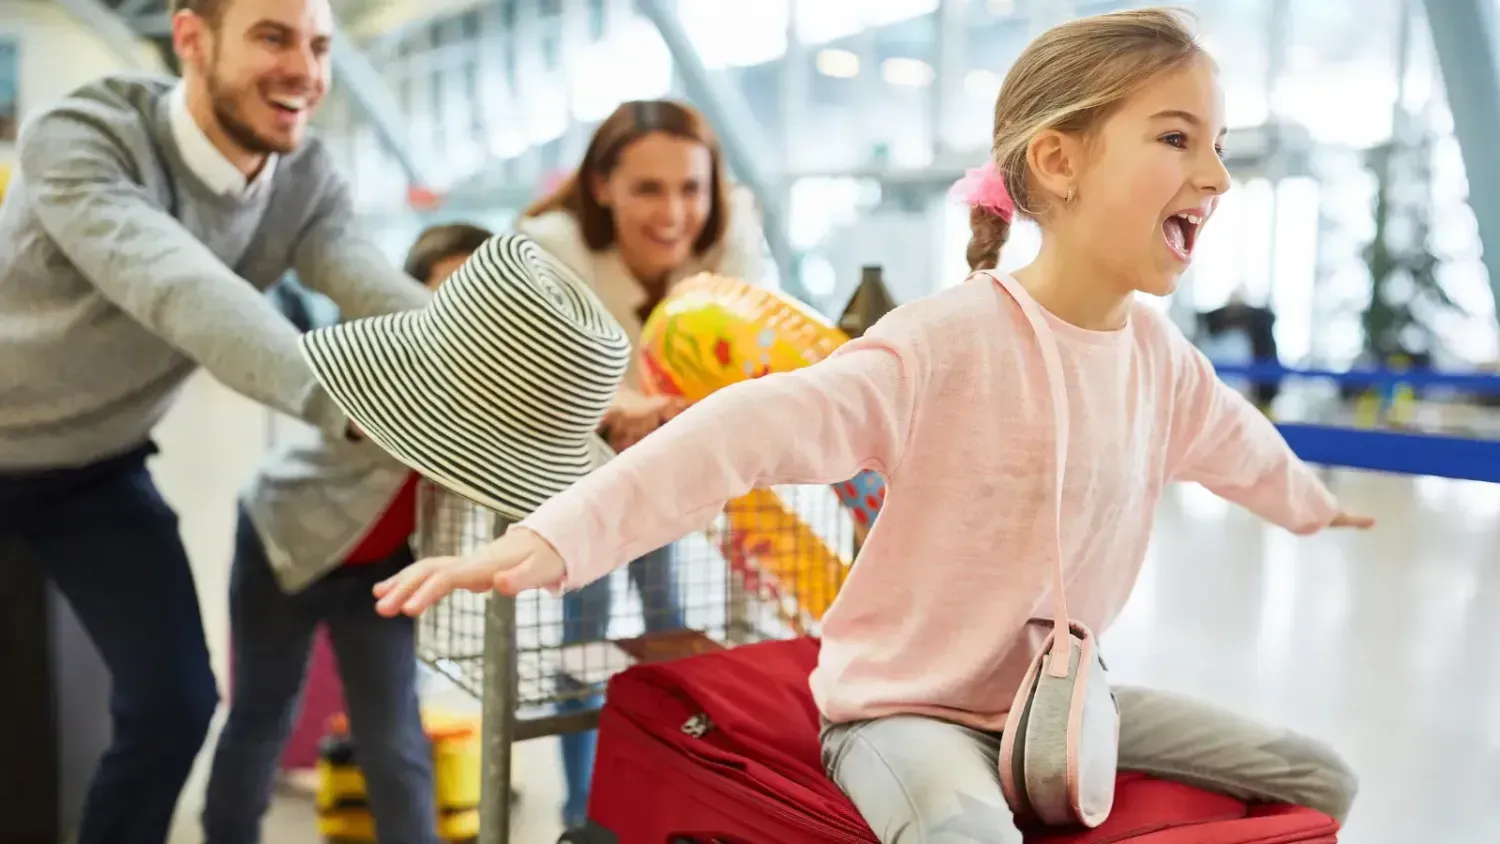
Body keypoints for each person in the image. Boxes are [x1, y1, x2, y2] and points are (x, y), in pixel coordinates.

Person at [374, 9, 1375, 843]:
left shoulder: (1162, 360)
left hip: (1051, 704)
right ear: (1059, 161)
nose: (1218, 176)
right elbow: (736, 433)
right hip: (903, 711)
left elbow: (1236, 444)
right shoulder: (943, 342)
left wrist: (1310, 505)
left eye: (1219, 145)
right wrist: (542, 542)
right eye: (1177, 137)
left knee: (1313, 775)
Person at [0, 1, 429, 841]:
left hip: (95, 471)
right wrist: (359, 409)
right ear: (191, 38)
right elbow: (185, 291)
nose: (303, 70)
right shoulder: (84, 136)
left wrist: (560, 392)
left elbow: (382, 294)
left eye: (318, 45)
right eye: (272, 37)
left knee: (177, 704)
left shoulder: (303, 176)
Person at [514, 98, 769, 829]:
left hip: (671, 471)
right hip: (577, 472)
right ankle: (583, 811)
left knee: (670, 631)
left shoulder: (730, 238)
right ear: (601, 185)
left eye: (691, 188)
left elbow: (758, 345)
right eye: (647, 189)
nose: (673, 212)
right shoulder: (550, 247)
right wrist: (627, 406)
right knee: (585, 634)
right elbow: (540, 369)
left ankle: (657, 802)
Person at [200, 224, 491, 844]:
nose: (460, 317)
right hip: (284, 542)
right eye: (443, 297)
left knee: (391, 734)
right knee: (261, 715)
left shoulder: (490, 389)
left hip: (381, 568)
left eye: (477, 298)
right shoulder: (385, 363)